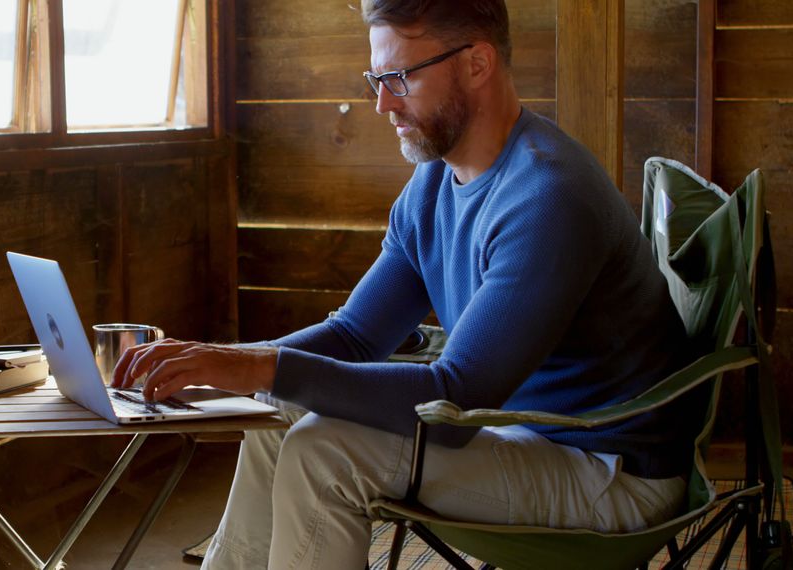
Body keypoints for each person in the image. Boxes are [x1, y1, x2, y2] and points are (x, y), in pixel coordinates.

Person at [112, 0, 698, 567]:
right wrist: (214, 363)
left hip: (608, 470)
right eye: (375, 78)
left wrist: (257, 367)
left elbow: (455, 394)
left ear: (477, 63)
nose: (381, 103)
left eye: (399, 77)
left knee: (324, 451)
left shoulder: (547, 197)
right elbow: (353, 337)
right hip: (519, 434)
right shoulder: (433, 185)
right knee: (278, 414)